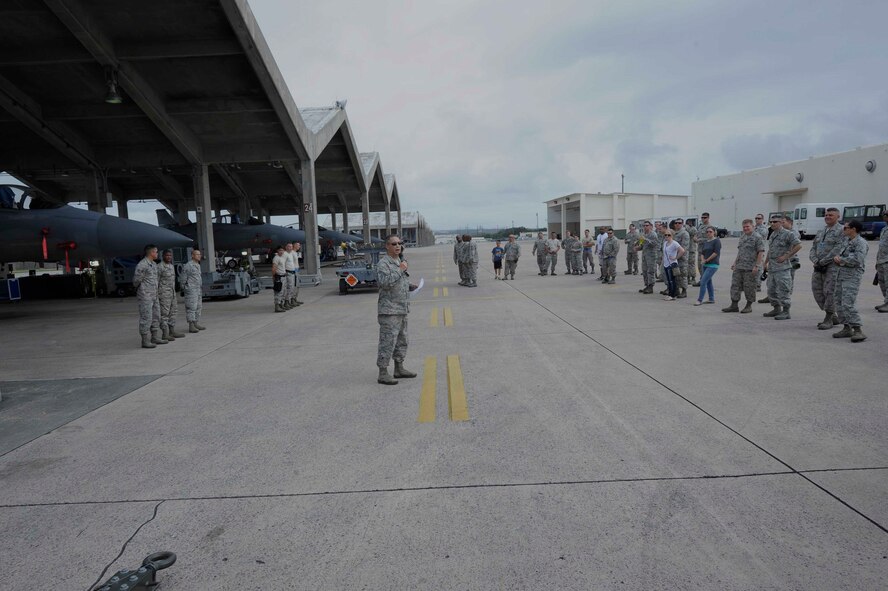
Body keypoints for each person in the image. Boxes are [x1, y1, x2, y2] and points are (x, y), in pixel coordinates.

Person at [376, 235, 417, 385]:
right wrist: (401, 270)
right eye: (394, 244)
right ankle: (383, 372)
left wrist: (410, 285)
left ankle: (399, 368)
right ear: (387, 246)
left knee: (402, 340)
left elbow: (399, 281)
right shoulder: (383, 264)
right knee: (388, 341)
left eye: (400, 243)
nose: (398, 246)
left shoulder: (400, 261)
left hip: (402, 308)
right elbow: (385, 283)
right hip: (389, 311)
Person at [831, 220, 869, 342]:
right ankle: (847, 328)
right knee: (839, 302)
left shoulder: (860, 243)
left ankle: (858, 330)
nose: (844, 230)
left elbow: (858, 260)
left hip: (852, 277)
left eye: (846, 228)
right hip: (840, 275)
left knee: (848, 303)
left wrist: (841, 260)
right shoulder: (846, 241)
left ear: (854, 229)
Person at [809, 207, 845, 329]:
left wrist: (824, 261)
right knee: (817, 291)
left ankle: (829, 317)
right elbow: (813, 248)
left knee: (830, 292)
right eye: (826, 215)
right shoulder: (821, 231)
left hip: (832, 267)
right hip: (818, 267)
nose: (828, 217)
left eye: (831, 215)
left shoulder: (842, 231)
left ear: (838, 217)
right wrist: (815, 260)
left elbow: (839, 249)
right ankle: (832, 315)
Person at [763, 216, 802, 320]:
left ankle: (786, 311)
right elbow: (770, 250)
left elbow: (798, 245)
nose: (772, 223)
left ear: (781, 222)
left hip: (782, 268)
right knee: (771, 290)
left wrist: (786, 256)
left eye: (775, 222)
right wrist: (765, 262)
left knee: (783, 290)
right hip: (772, 268)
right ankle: (776, 308)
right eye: (770, 222)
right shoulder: (772, 234)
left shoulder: (788, 234)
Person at [723, 219, 764, 314]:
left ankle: (748, 305)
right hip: (739, 266)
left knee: (749, 287)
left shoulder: (757, 237)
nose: (745, 228)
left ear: (753, 227)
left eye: (747, 227)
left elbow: (761, 252)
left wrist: (757, 266)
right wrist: (735, 263)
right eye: (744, 227)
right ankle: (734, 305)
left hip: (750, 268)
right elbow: (740, 252)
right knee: (735, 286)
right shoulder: (742, 237)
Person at [133, 244, 163, 348]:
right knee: (146, 317)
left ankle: (154, 337)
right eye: (156, 251)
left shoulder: (153, 264)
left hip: (154, 295)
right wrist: (143, 291)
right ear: (151, 253)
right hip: (145, 296)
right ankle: (145, 341)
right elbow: (136, 281)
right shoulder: (142, 265)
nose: (157, 253)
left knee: (156, 316)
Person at [157, 249, 184, 341]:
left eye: (170, 255)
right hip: (164, 294)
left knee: (173, 312)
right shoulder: (160, 267)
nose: (169, 257)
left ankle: (172, 331)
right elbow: (156, 281)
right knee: (164, 314)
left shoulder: (171, 266)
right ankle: (165, 334)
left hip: (172, 294)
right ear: (163, 256)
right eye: (167, 255)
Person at [694, 227, 721, 305]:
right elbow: (702, 252)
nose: (709, 233)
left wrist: (707, 260)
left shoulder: (717, 241)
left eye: (710, 231)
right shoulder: (706, 242)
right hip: (705, 264)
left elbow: (716, 253)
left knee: (703, 281)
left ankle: (700, 299)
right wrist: (703, 260)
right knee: (708, 282)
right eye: (707, 232)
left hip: (713, 265)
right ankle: (711, 298)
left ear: (714, 232)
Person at [183, 248, 205, 331]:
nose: (199, 256)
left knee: (198, 307)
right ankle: (191, 325)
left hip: (198, 290)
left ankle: (196, 323)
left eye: (200, 254)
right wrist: (186, 288)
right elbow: (183, 278)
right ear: (192, 255)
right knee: (191, 307)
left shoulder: (198, 265)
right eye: (197, 254)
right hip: (191, 290)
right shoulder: (188, 265)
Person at [661, 230, 684, 300]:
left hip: (672, 264)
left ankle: (672, 295)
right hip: (666, 264)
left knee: (672, 280)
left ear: (672, 235)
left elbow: (682, 250)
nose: (667, 236)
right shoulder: (665, 243)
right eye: (665, 235)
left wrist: (675, 257)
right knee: (669, 280)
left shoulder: (674, 243)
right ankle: (670, 294)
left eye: (669, 235)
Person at [693, 213, 714, 286]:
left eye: (705, 218)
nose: (703, 219)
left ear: (708, 218)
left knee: (705, 266)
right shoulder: (701, 226)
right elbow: (697, 234)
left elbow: (710, 238)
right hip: (700, 249)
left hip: (706, 250)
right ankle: (702, 279)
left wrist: (699, 240)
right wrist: (695, 237)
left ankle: (705, 281)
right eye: (702, 217)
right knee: (699, 266)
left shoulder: (710, 227)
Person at [637, 221, 658, 294]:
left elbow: (654, 244)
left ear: (650, 226)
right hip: (645, 256)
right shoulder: (643, 234)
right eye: (644, 225)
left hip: (651, 256)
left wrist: (645, 239)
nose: (645, 227)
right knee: (645, 271)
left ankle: (651, 286)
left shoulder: (653, 234)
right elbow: (642, 245)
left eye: (647, 225)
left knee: (650, 271)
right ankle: (647, 285)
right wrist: (638, 248)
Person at [672, 219, 690, 298]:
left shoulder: (684, 233)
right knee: (676, 274)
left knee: (683, 274)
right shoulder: (673, 233)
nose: (677, 224)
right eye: (676, 223)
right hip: (674, 258)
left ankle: (684, 290)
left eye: (679, 223)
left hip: (682, 258)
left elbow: (684, 248)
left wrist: (677, 256)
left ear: (682, 224)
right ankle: (677, 290)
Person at [782, 216, 801, 282]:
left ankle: (789, 292)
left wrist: (787, 255)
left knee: (788, 280)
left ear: (789, 222)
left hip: (791, 260)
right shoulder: (783, 232)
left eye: (783, 222)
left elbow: (796, 246)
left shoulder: (794, 233)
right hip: (783, 260)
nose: (782, 224)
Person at [284, 242, 303, 308]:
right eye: (298, 245)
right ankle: (291, 300)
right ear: (294, 245)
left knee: (297, 286)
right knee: (292, 286)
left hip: (296, 270)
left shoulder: (294, 253)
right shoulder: (291, 253)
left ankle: (294, 299)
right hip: (293, 271)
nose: (299, 246)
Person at [877, 211, 888, 312]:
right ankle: (886, 301)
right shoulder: (884, 229)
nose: (884, 217)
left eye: (886, 215)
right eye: (884, 215)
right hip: (882, 260)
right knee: (882, 282)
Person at [272, 245, 289, 312]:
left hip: (283, 277)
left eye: (282, 250)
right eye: (280, 250)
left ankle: (281, 305)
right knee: (278, 292)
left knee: (283, 292)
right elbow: (273, 268)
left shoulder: (282, 258)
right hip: (278, 277)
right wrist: (274, 277)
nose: (281, 251)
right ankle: (277, 306)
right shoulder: (276, 258)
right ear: (277, 251)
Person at [685, 218, 698, 285]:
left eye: (690, 222)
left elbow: (688, 232)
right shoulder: (687, 228)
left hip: (692, 249)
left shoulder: (693, 229)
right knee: (687, 264)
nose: (688, 223)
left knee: (691, 264)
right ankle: (688, 277)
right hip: (687, 249)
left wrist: (686, 227)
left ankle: (693, 277)